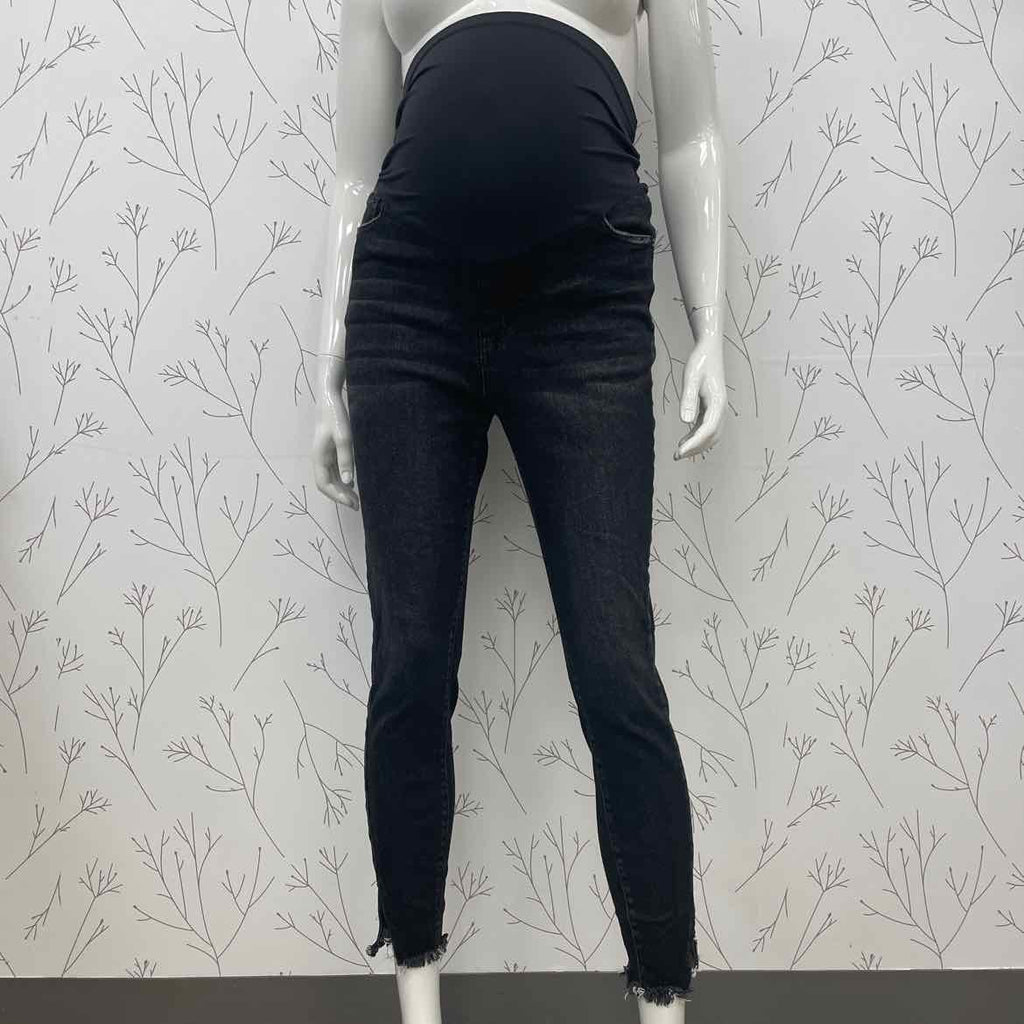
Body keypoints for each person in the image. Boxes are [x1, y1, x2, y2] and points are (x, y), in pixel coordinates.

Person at [311, 1, 726, 1020]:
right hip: (408, 308)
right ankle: (416, 999)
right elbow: (356, 172)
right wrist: (328, 359)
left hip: (584, 308)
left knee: (616, 667)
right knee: (410, 664)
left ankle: (663, 1002)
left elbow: (690, 138)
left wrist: (711, 328)